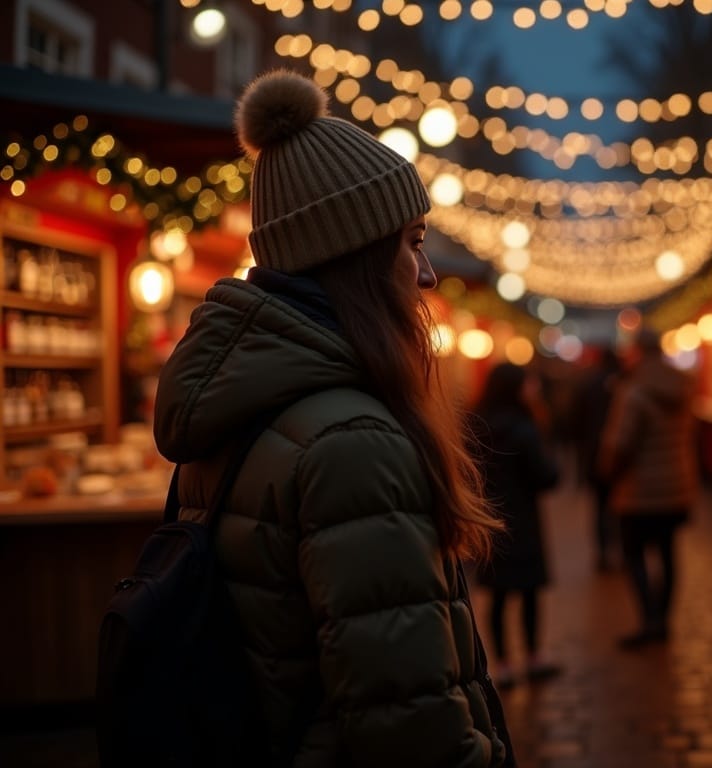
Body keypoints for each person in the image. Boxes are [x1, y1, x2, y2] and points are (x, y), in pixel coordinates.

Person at [152, 70, 512, 767]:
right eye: (412, 242)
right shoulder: (354, 441)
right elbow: (410, 729)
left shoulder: (243, 404)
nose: (428, 273)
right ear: (358, 258)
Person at [598, 329, 700, 649]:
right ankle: (663, 619)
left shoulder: (635, 391)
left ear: (639, 352)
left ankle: (649, 619)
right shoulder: (682, 386)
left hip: (639, 491)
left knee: (635, 555)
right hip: (676, 485)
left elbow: (621, 443)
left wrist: (607, 472)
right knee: (668, 554)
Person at [471, 362, 562, 688]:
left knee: (496, 596)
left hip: (488, 522)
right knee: (528, 592)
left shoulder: (475, 425)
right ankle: (534, 657)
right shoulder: (525, 427)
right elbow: (547, 477)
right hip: (523, 522)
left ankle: (504, 665)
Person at [575, 346, 622, 571]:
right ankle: (620, 550)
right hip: (621, 456)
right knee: (620, 505)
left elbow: (578, 422)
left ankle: (603, 552)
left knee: (600, 506)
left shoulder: (589, 385)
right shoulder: (625, 385)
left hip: (594, 454)